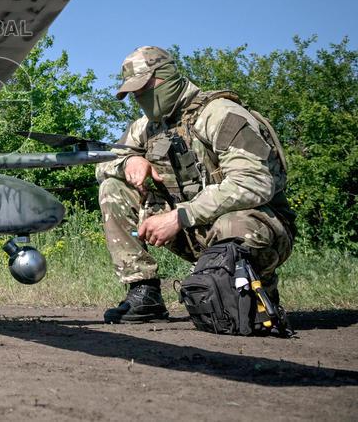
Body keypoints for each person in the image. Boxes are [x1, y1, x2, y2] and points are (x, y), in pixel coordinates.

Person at [96, 46, 294, 323]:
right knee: (113, 189)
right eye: (134, 94)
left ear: (166, 77)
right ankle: (144, 291)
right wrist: (128, 162)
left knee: (234, 227)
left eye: (144, 89)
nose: (139, 98)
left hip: (257, 229)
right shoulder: (146, 126)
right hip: (193, 228)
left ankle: (256, 292)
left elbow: (254, 184)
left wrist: (180, 215)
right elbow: (102, 163)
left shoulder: (221, 114)